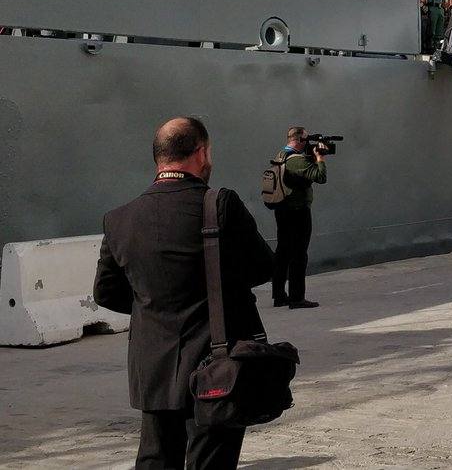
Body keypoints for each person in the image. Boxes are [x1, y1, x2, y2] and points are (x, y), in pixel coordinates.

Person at [93, 117, 274, 469]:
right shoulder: (220, 205)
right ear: (202, 153)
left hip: (153, 367)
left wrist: (153, 307)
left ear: (159, 158)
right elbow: (263, 268)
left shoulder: (118, 219)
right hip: (217, 364)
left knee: (156, 458)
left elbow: (105, 292)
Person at [270, 126, 329, 309]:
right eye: (305, 140)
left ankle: (279, 295)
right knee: (299, 254)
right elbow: (320, 177)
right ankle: (297, 298)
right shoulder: (296, 160)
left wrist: (310, 156)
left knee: (283, 252)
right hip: (297, 211)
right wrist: (319, 158)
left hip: (282, 209)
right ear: (300, 141)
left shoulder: (282, 155)